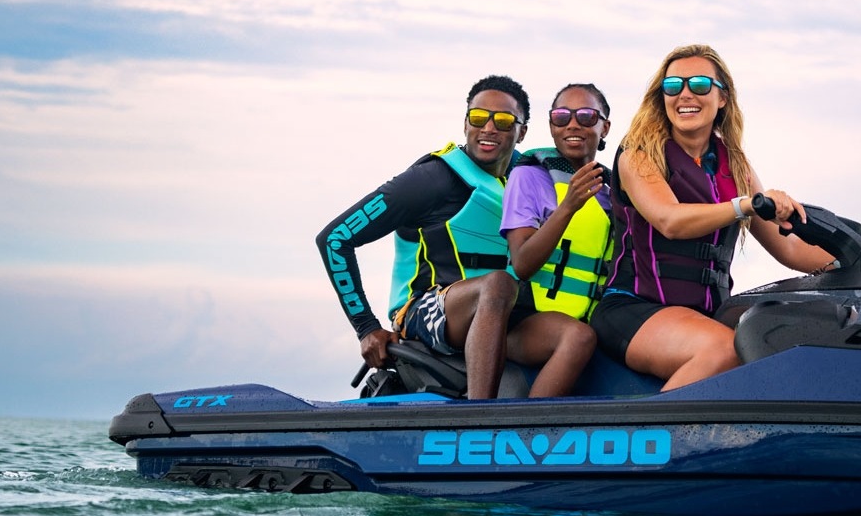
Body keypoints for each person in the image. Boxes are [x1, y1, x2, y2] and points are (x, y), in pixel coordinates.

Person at [316, 75, 589, 399]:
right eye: (478, 118)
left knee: (577, 337)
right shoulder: (431, 180)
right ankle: (479, 418)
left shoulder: (530, 177)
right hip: (427, 312)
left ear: (522, 132)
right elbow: (334, 239)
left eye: (503, 121)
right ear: (465, 124)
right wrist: (366, 327)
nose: (489, 128)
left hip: (502, 313)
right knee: (498, 284)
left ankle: (528, 426)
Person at [589, 45, 831, 391]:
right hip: (634, 310)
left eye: (700, 84)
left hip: (707, 313)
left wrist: (858, 263)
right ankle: (658, 425)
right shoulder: (638, 154)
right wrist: (745, 205)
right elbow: (670, 220)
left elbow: (789, 249)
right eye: (673, 86)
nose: (685, 94)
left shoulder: (736, 165)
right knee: (724, 349)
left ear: (723, 98)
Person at [497, 83, 614, 396]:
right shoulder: (528, 176)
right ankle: (530, 424)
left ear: (605, 127)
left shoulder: (612, 191)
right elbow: (522, 264)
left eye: (586, 116)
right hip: (526, 319)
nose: (573, 124)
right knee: (578, 338)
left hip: (590, 316)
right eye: (562, 116)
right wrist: (569, 206)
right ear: (551, 126)